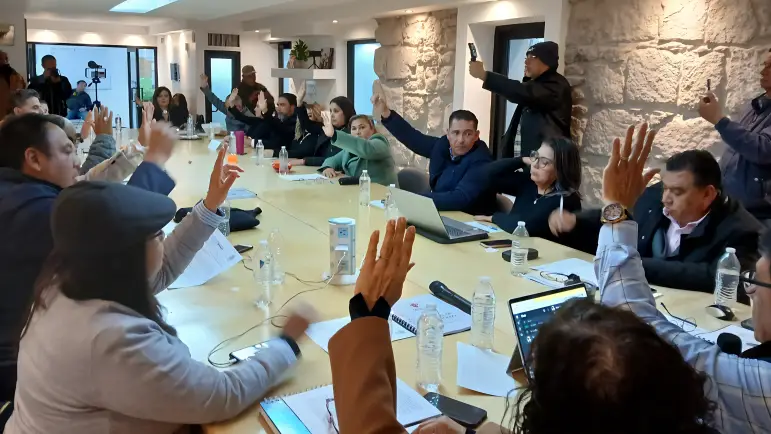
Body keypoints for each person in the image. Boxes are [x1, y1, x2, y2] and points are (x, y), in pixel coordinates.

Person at [4, 148, 316, 433]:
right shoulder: (110, 338)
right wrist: (285, 344)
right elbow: (222, 396)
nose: (163, 240)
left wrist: (210, 205)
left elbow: (160, 269)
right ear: (125, 255)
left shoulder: (70, 278)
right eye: (157, 235)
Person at [596, 123, 771, 434]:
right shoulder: (655, 200)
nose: (750, 291)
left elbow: (631, 325)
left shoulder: (757, 384)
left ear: (708, 195)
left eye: (755, 281)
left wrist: (616, 208)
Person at [0, 116, 177, 404]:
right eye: (67, 151)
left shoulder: (16, 193)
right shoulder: (33, 211)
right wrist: (155, 160)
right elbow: (119, 226)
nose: (77, 162)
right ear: (33, 158)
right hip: (17, 367)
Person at [550, 147, 763, 300]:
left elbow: (718, 278)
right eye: (665, 187)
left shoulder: (743, 230)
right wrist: (577, 222)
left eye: (677, 192)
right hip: (634, 297)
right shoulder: (654, 197)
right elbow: (623, 216)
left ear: (707, 194)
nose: (665, 199)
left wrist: (635, 264)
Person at [373, 94, 496, 215]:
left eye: (468, 134)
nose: (461, 140)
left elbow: (460, 198)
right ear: (448, 134)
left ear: (476, 135)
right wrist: (386, 113)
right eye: (456, 133)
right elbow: (414, 139)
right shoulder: (442, 145)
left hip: (472, 219)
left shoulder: (482, 160)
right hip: (443, 213)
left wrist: (414, 199)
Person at [700, 48, 771, 224]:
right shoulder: (754, 105)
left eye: (770, 67)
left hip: (760, 216)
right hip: (731, 207)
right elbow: (738, 146)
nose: (763, 71)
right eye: (765, 65)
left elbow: (763, 149)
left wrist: (718, 119)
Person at [469, 41, 572, 159]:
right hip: (528, 160)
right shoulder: (536, 85)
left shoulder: (556, 85)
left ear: (546, 61)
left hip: (544, 161)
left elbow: (521, 91)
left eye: (532, 57)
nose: (526, 62)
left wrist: (484, 75)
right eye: (526, 57)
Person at [474, 137, 582, 238]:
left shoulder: (566, 199)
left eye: (544, 162)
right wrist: (521, 160)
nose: (535, 164)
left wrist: (493, 218)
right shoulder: (528, 183)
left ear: (561, 169)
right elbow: (486, 175)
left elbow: (526, 227)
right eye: (535, 156)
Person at [320, 113, 397, 185]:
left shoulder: (380, 142)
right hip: (358, 190)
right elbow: (333, 160)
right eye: (354, 128)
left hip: (383, 192)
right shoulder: (349, 149)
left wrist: (334, 135)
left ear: (372, 129)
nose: (357, 132)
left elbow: (367, 148)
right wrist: (327, 168)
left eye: (362, 127)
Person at [229, 91, 298, 151]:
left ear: (293, 107)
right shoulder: (276, 120)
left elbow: (277, 139)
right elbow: (243, 118)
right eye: (278, 105)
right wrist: (231, 105)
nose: (278, 108)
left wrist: (265, 111)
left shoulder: (295, 122)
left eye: (282, 105)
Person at [0, 50, 26, 122]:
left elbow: (22, 90)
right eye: (1, 59)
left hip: (12, 113)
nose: (4, 61)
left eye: (5, 59)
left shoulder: (15, 75)